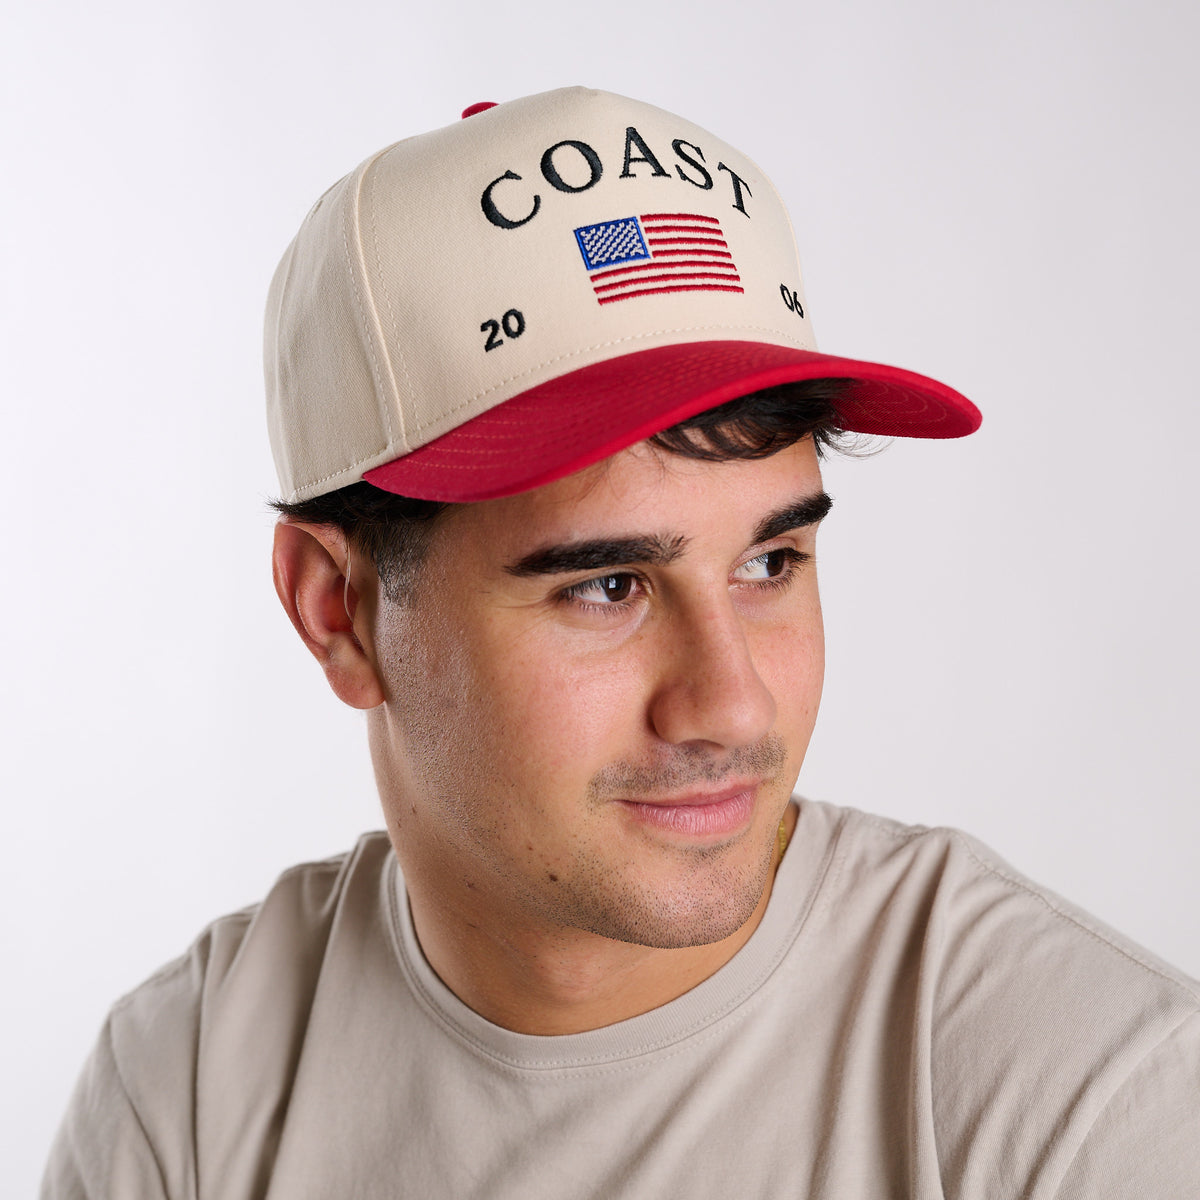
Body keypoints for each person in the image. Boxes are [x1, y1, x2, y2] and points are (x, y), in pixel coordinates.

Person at [43, 87, 1199, 1199]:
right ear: (338, 612)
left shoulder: (1090, 1106)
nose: (735, 709)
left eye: (768, 565)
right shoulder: (187, 1088)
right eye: (607, 586)